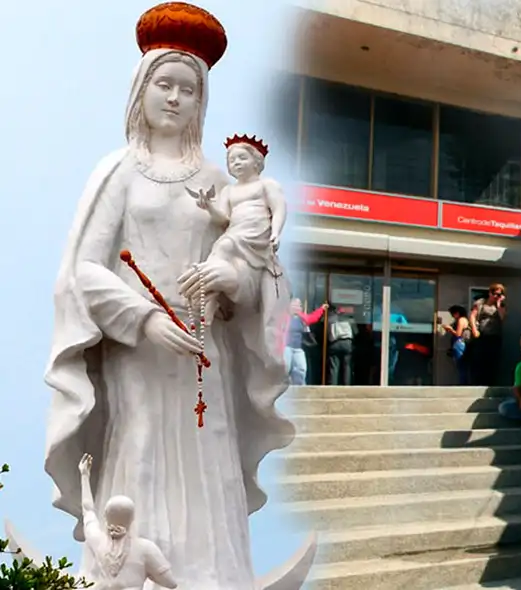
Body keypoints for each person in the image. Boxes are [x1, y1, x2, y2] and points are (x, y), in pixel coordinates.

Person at [43, 5, 294, 586]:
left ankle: (216, 575)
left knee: (210, 457)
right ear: (142, 88)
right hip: (140, 348)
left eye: (189, 89)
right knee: (141, 449)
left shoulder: (220, 183)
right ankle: (128, 572)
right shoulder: (119, 172)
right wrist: (143, 318)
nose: (176, 99)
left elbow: (254, 265)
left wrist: (230, 278)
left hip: (204, 348)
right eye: (166, 84)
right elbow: (84, 268)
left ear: (202, 100)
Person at [194, 134, 286, 324]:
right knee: (222, 247)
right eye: (232, 160)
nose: (236, 162)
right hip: (236, 231)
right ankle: (210, 298)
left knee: (223, 246)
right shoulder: (229, 191)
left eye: (242, 158)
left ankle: (210, 295)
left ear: (256, 161)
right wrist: (209, 207)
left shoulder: (266, 185)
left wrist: (276, 232)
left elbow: (279, 209)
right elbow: (223, 218)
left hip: (257, 233)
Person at [78, 453, 177, 589]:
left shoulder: (98, 541)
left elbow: (87, 509)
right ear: (132, 519)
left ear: (106, 517)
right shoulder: (146, 548)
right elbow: (170, 582)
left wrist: (84, 475)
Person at [281, 298, 327, 385]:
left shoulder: (302, 318)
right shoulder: (283, 318)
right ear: (289, 306)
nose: (297, 307)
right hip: (286, 348)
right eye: (294, 305)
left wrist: (322, 309)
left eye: (299, 305)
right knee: (285, 369)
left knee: (301, 369)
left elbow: (313, 317)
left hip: (298, 348)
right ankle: (283, 387)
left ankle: (299, 388)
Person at [468, 283, 507, 385]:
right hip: (481, 335)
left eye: (499, 294)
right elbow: (472, 316)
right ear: (490, 293)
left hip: (494, 337)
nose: (496, 296)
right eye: (495, 294)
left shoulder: (500, 306)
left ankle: (490, 383)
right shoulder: (481, 303)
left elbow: (502, 318)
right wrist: (474, 329)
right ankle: (477, 383)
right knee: (479, 360)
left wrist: (499, 304)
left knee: (492, 361)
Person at [441, 305, 472, 385]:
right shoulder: (464, 320)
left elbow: (458, 334)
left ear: (457, 313)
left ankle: (463, 383)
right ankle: (464, 382)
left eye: (453, 314)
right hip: (462, 343)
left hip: (459, 343)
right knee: (462, 365)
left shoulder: (461, 320)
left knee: (461, 365)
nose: (453, 316)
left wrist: (450, 329)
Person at [327, 307, 357, 385]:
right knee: (347, 366)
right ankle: (347, 386)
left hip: (334, 343)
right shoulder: (349, 319)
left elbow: (327, 332)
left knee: (334, 367)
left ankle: (332, 386)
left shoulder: (331, 319)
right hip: (347, 343)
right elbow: (356, 331)